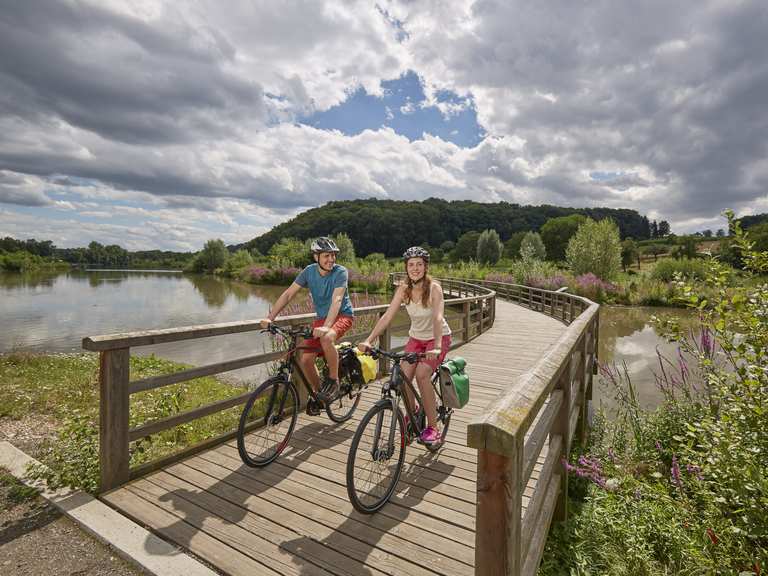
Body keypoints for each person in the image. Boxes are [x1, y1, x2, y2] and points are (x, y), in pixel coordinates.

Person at [358, 246, 451, 444]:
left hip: (438, 338)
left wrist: (435, 346)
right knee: (402, 377)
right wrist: (369, 339)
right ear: (406, 268)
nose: (415, 268)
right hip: (416, 339)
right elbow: (387, 317)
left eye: (419, 264)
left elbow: (437, 317)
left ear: (425, 267)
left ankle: (433, 428)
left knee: (422, 374)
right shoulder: (403, 288)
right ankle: (414, 411)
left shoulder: (434, 287)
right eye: (411, 265)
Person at [259, 237, 354, 413]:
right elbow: (288, 294)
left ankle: (334, 381)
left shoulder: (341, 272)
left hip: (342, 315)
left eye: (333, 255)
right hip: (322, 320)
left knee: (327, 338)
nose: (331, 259)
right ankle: (319, 394)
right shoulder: (309, 272)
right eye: (326, 256)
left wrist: (326, 326)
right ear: (315, 257)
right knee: (305, 359)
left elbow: (338, 299)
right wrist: (270, 317)